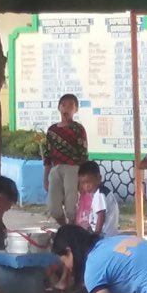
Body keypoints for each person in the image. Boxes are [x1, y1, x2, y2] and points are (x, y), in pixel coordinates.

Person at [43, 93, 88, 225]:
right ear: (59, 107)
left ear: (76, 110)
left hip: (73, 168)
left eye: (70, 106)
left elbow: (83, 154)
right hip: (55, 169)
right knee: (53, 207)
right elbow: (47, 155)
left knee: (71, 205)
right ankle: (64, 226)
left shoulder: (78, 129)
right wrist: (46, 176)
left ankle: (72, 228)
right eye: (63, 105)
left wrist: (82, 177)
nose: (66, 109)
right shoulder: (52, 130)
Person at [79, 162, 119, 237]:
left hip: (104, 235)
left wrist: (96, 235)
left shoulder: (100, 194)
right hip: (109, 233)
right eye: (83, 183)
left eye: (88, 182)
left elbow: (101, 215)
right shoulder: (103, 191)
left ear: (99, 178)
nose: (86, 186)